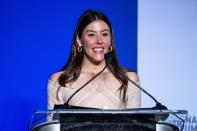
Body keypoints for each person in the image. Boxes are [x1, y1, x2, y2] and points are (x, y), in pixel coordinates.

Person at [47, 9, 141, 111]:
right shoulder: (59, 80)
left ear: (111, 40)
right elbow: (52, 126)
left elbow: (136, 126)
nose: (99, 41)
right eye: (91, 34)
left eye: (104, 34)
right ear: (79, 41)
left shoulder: (128, 79)